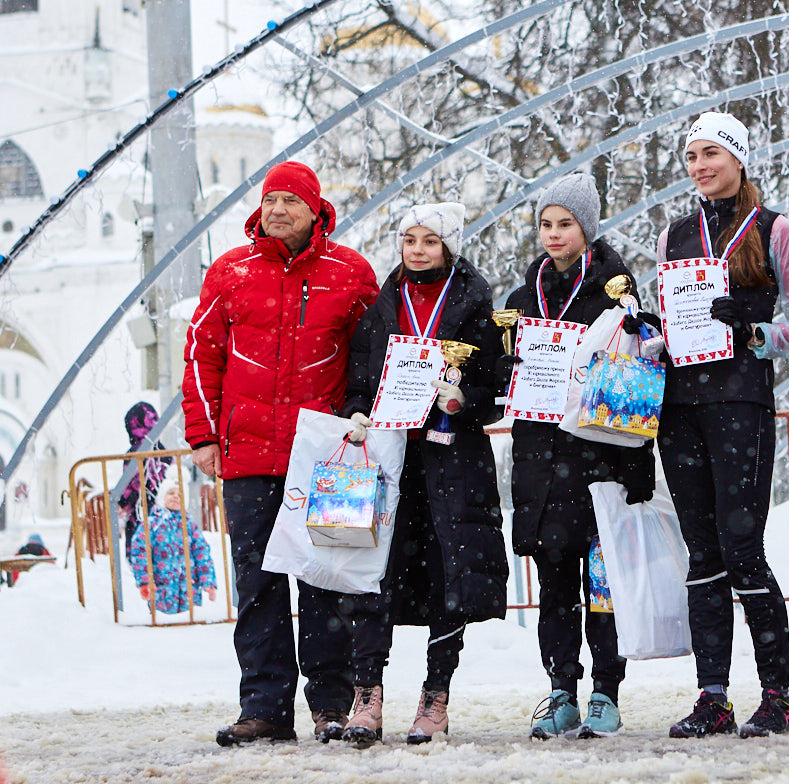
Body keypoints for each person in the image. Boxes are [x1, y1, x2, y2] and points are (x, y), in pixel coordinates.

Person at [182, 160, 379, 747]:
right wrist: (204, 437)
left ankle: (330, 705)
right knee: (259, 586)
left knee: (326, 580)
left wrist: (362, 425)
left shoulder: (350, 273)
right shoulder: (230, 271)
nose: (278, 211)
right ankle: (265, 706)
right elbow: (202, 356)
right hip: (246, 458)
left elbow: (371, 357)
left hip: (327, 460)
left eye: (290, 201)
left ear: (315, 209)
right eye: (270, 201)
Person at [656, 111, 789, 739]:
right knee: (702, 555)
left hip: (739, 402)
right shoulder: (675, 234)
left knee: (743, 548)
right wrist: (648, 335)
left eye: (711, 154)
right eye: (692, 156)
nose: (701, 166)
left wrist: (756, 332)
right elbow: (667, 318)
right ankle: (712, 696)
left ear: (740, 159)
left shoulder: (776, 230)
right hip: (680, 405)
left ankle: (778, 696)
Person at [337, 202, 509, 748]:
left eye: (429, 241)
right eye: (409, 239)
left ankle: (436, 698)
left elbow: (497, 387)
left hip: (451, 461)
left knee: (447, 579)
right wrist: (358, 412)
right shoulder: (381, 308)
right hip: (389, 460)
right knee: (372, 574)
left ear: (449, 246)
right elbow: (359, 377)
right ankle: (367, 696)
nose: (417, 249)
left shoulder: (476, 308)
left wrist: (465, 399)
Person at [501, 173, 656, 739]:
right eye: (546, 223)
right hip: (542, 461)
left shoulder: (615, 293)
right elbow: (506, 376)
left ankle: (606, 694)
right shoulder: (522, 300)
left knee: (604, 586)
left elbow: (637, 376)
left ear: (587, 229)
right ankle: (560, 689)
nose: (553, 234)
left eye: (565, 224)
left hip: (598, 461)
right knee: (556, 588)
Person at [129, 480, 218, 614]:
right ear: (161, 498)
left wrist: (208, 581)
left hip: (189, 588)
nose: (176, 496)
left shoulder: (190, 525)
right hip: (161, 588)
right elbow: (140, 552)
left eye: (180, 495)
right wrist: (144, 581)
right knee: (165, 626)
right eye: (171, 493)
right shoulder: (152, 523)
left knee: (189, 626)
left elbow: (202, 553)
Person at [117, 402, 171, 559]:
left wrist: (121, 502)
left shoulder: (134, 455)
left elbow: (130, 487)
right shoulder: (164, 452)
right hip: (165, 515)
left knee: (141, 558)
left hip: (140, 515)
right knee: (164, 557)